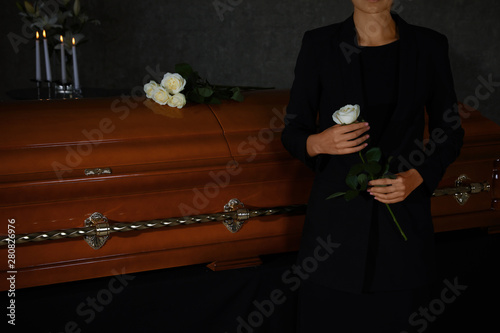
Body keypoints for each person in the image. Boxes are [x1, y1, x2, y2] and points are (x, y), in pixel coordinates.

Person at [281, 0, 465, 331]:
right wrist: (318, 143)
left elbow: (449, 132)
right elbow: (293, 131)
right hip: (331, 239)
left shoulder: (429, 45)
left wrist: (419, 176)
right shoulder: (319, 44)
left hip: (404, 229)